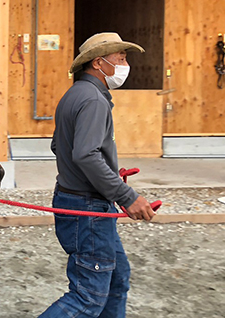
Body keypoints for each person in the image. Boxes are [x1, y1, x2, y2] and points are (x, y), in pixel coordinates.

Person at [39, 32, 156, 318]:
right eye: (121, 58)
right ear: (98, 63)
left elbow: (60, 146)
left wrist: (106, 174)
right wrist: (127, 196)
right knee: (88, 298)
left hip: (79, 202)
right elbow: (85, 155)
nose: (125, 64)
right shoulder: (93, 100)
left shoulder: (75, 94)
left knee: (117, 279)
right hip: (87, 209)